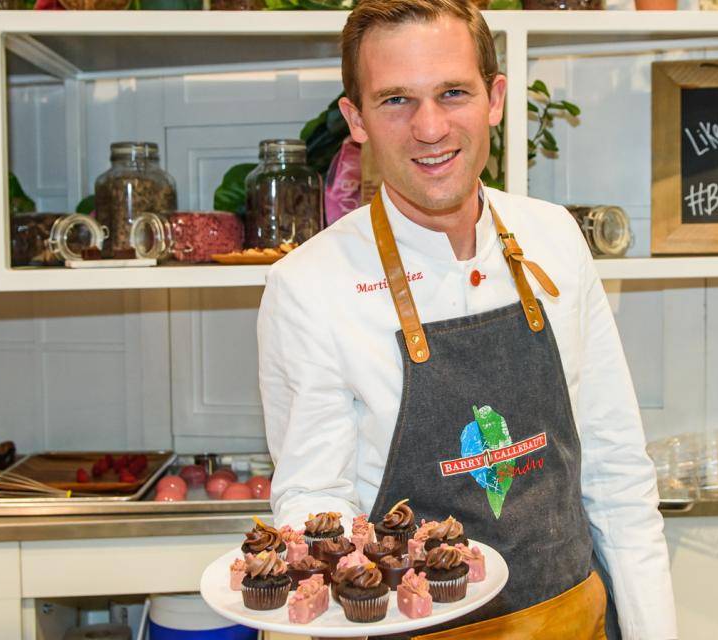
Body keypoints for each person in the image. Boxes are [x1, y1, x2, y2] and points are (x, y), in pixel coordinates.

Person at [256, 0, 677, 637]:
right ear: (356, 119)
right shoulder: (310, 286)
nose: (430, 127)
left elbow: (617, 474)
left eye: (453, 92)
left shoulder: (555, 239)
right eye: (396, 99)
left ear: (495, 98)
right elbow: (317, 508)